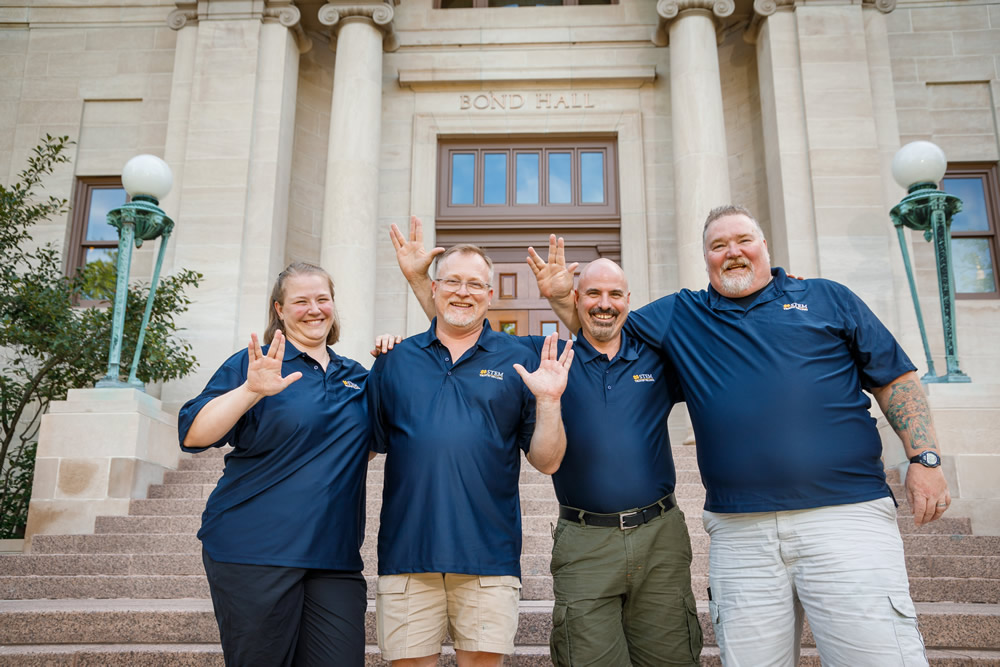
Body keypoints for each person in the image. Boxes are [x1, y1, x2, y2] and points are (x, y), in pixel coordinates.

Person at [533, 204, 950, 667]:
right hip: (740, 532)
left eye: (743, 240)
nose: (732, 253)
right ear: (705, 257)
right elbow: (602, 328)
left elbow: (897, 379)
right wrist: (560, 301)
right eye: (718, 245)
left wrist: (925, 458)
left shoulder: (829, 298)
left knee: (877, 658)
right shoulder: (680, 314)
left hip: (843, 518)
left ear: (764, 246)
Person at [392, 218, 702, 666]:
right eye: (591, 293)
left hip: (660, 535)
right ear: (576, 299)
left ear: (629, 302)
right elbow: (464, 330)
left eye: (615, 294)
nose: (604, 304)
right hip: (585, 535)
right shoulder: (547, 356)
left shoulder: (658, 360)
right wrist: (421, 282)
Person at [367, 239, 574, 667]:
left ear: (490, 294)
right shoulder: (395, 360)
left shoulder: (521, 358)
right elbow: (365, 446)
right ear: (434, 287)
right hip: (408, 555)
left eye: (475, 284)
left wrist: (550, 402)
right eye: (454, 282)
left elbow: (548, 461)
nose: (464, 292)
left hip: (488, 558)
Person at [179, 262, 393, 667]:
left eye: (322, 299)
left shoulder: (358, 377)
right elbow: (193, 434)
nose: (314, 309)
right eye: (301, 301)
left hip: (333, 556)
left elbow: (364, 447)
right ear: (279, 309)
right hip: (253, 549)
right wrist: (250, 391)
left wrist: (395, 358)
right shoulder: (256, 365)